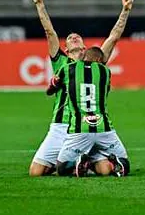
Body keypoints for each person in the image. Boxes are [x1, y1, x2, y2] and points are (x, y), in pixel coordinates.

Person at [28, 0, 133, 176]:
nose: (73, 37)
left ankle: (77, 162)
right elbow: (49, 32)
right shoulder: (61, 63)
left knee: (104, 170)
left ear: (85, 48)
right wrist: (40, 4)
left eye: (77, 37)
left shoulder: (96, 62)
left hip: (87, 125)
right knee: (35, 172)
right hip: (61, 126)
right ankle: (77, 161)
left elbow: (114, 36)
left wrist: (125, 10)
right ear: (66, 49)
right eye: (69, 38)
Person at [50, 46, 130, 177]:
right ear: (99, 60)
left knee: (61, 168)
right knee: (125, 163)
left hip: (79, 130)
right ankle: (117, 165)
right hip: (104, 130)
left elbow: (51, 89)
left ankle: (78, 162)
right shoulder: (106, 71)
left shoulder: (67, 68)